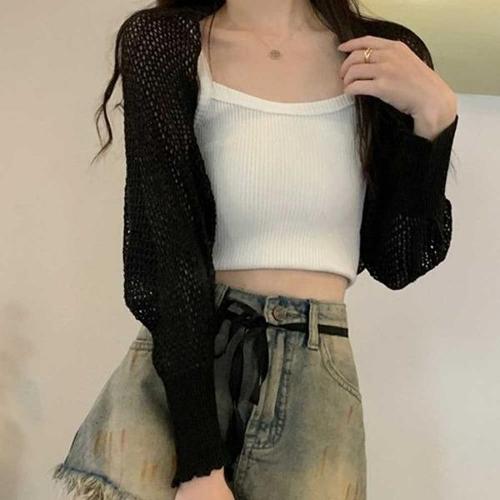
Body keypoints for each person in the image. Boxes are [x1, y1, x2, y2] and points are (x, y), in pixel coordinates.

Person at [51, 1, 459, 499]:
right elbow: (169, 255)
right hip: (190, 367)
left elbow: (400, 259)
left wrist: (435, 117)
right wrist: (198, 465)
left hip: (317, 376)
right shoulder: (165, 41)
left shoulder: (380, 54)